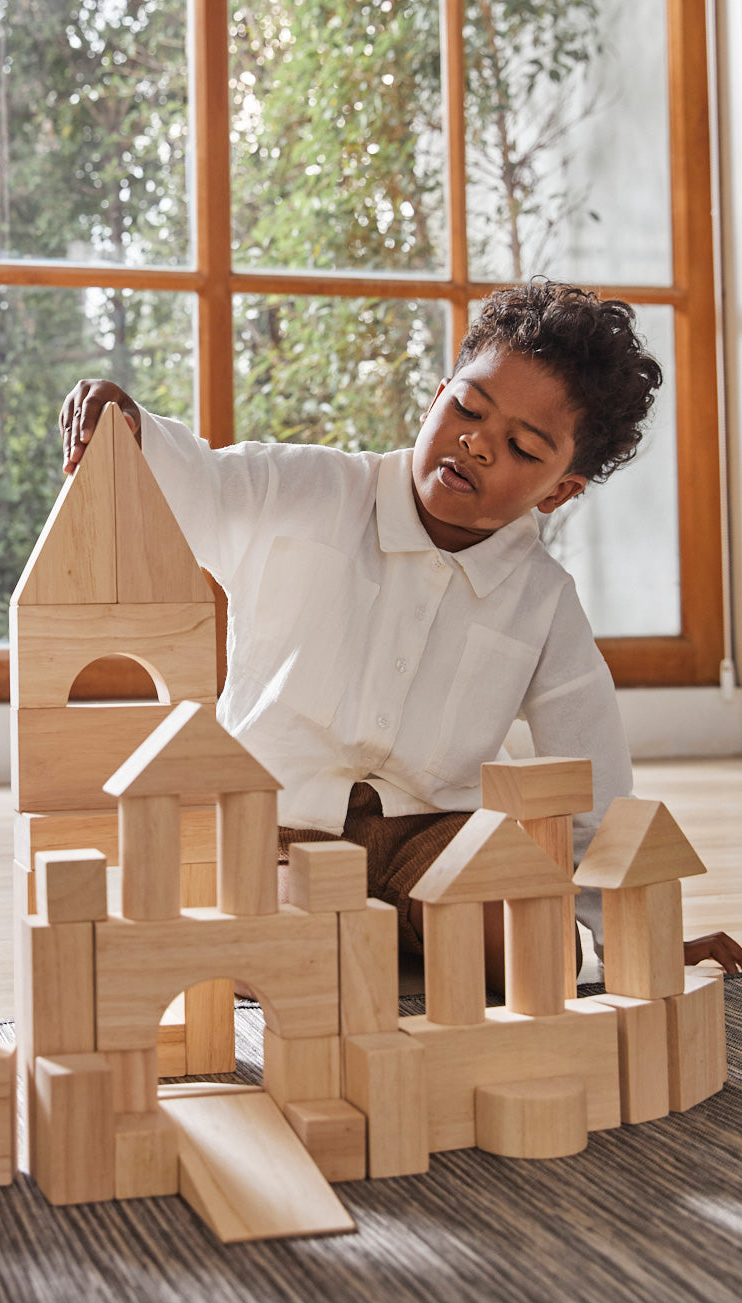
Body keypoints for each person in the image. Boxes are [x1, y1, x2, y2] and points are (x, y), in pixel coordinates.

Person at [58, 280, 742, 980]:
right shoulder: (311, 490)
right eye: (467, 408)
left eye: (523, 448)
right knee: (290, 935)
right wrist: (133, 427)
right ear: (438, 394)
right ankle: (354, 938)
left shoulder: (544, 600)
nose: (475, 443)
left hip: (437, 832)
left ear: (561, 489)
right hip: (281, 825)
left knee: (541, 948)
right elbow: (201, 483)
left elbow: (593, 782)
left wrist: (639, 937)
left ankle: (392, 933)